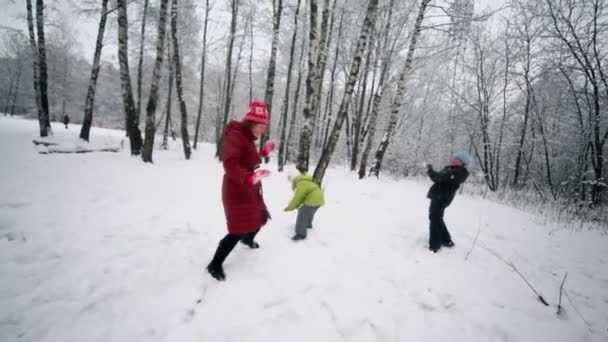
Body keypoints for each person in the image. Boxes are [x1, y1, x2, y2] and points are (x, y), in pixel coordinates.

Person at [207, 101, 276, 281]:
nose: (262, 130)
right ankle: (214, 264)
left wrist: (263, 154)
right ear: (251, 123)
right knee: (237, 229)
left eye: (264, 126)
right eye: (260, 126)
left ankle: (248, 239)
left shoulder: (247, 138)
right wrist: (248, 178)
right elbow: (230, 165)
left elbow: (247, 159)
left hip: (249, 187)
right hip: (236, 189)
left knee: (260, 217)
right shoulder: (236, 136)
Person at [426, 151, 470, 253]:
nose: (454, 160)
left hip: (442, 198)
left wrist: (430, 170)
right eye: (454, 158)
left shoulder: (460, 172)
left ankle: (435, 245)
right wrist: (431, 171)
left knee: (435, 219)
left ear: (463, 162)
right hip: (437, 196)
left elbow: (438, 178)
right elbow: (438, 178)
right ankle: (446, 240)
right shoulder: (449, 168)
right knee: (436, 217)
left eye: (458, 159)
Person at [284, 169, 325, 241]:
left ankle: (300, 234)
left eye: (290, 179)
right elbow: (303, 196)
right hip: (319, 199)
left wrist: (289, 207)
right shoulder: (305, 181)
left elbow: (297, 198)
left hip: (313, 199)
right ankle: (307, 225)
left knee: (302, 214)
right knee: (308, 213)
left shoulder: (301, 183)